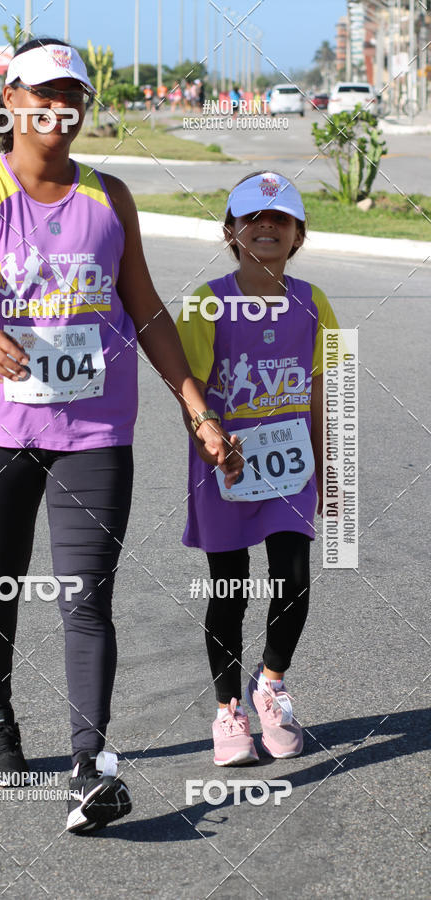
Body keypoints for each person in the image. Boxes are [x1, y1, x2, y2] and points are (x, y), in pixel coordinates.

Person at [0, 37, 242, 834]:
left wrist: (196, 406)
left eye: (71, 92)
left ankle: (90, 768)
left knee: (88, 598)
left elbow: (145, 309)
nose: (57, 107)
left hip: (97, 429)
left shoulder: (110, 197)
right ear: (11, 99)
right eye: (42, 92)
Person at [176, 171, 338, 766]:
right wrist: (206, 439)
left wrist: (333, 470)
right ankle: (227, 711)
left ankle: (270, 684)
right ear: (232, 231)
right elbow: (187, 385)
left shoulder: (315, 302)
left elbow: (327, 391)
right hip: (229, 468)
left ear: (298, 235)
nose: (266, 227)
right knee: (230, 587)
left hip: (291, 468)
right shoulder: (206, 300)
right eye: (253, 218)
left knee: (293, 577)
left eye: (281, 219)